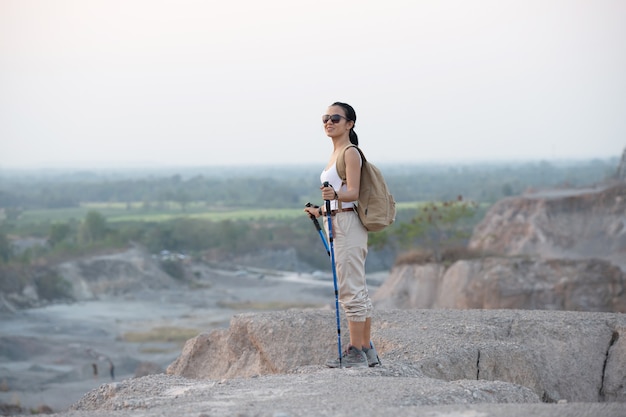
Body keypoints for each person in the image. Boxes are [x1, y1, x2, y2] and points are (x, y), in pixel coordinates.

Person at [304, 101, 378, 368]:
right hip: (338, 221)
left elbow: (353, 194)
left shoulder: (349, 152)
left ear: (350, 124)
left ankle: (356, 351)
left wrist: (334, 196)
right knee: (356, 287)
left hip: (347, 225)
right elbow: (338, 198)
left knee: (350, 290)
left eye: (336, 118)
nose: (329, 122)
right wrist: (320, 211)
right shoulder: (336, 153)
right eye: (325, 117)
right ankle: (367, 350)